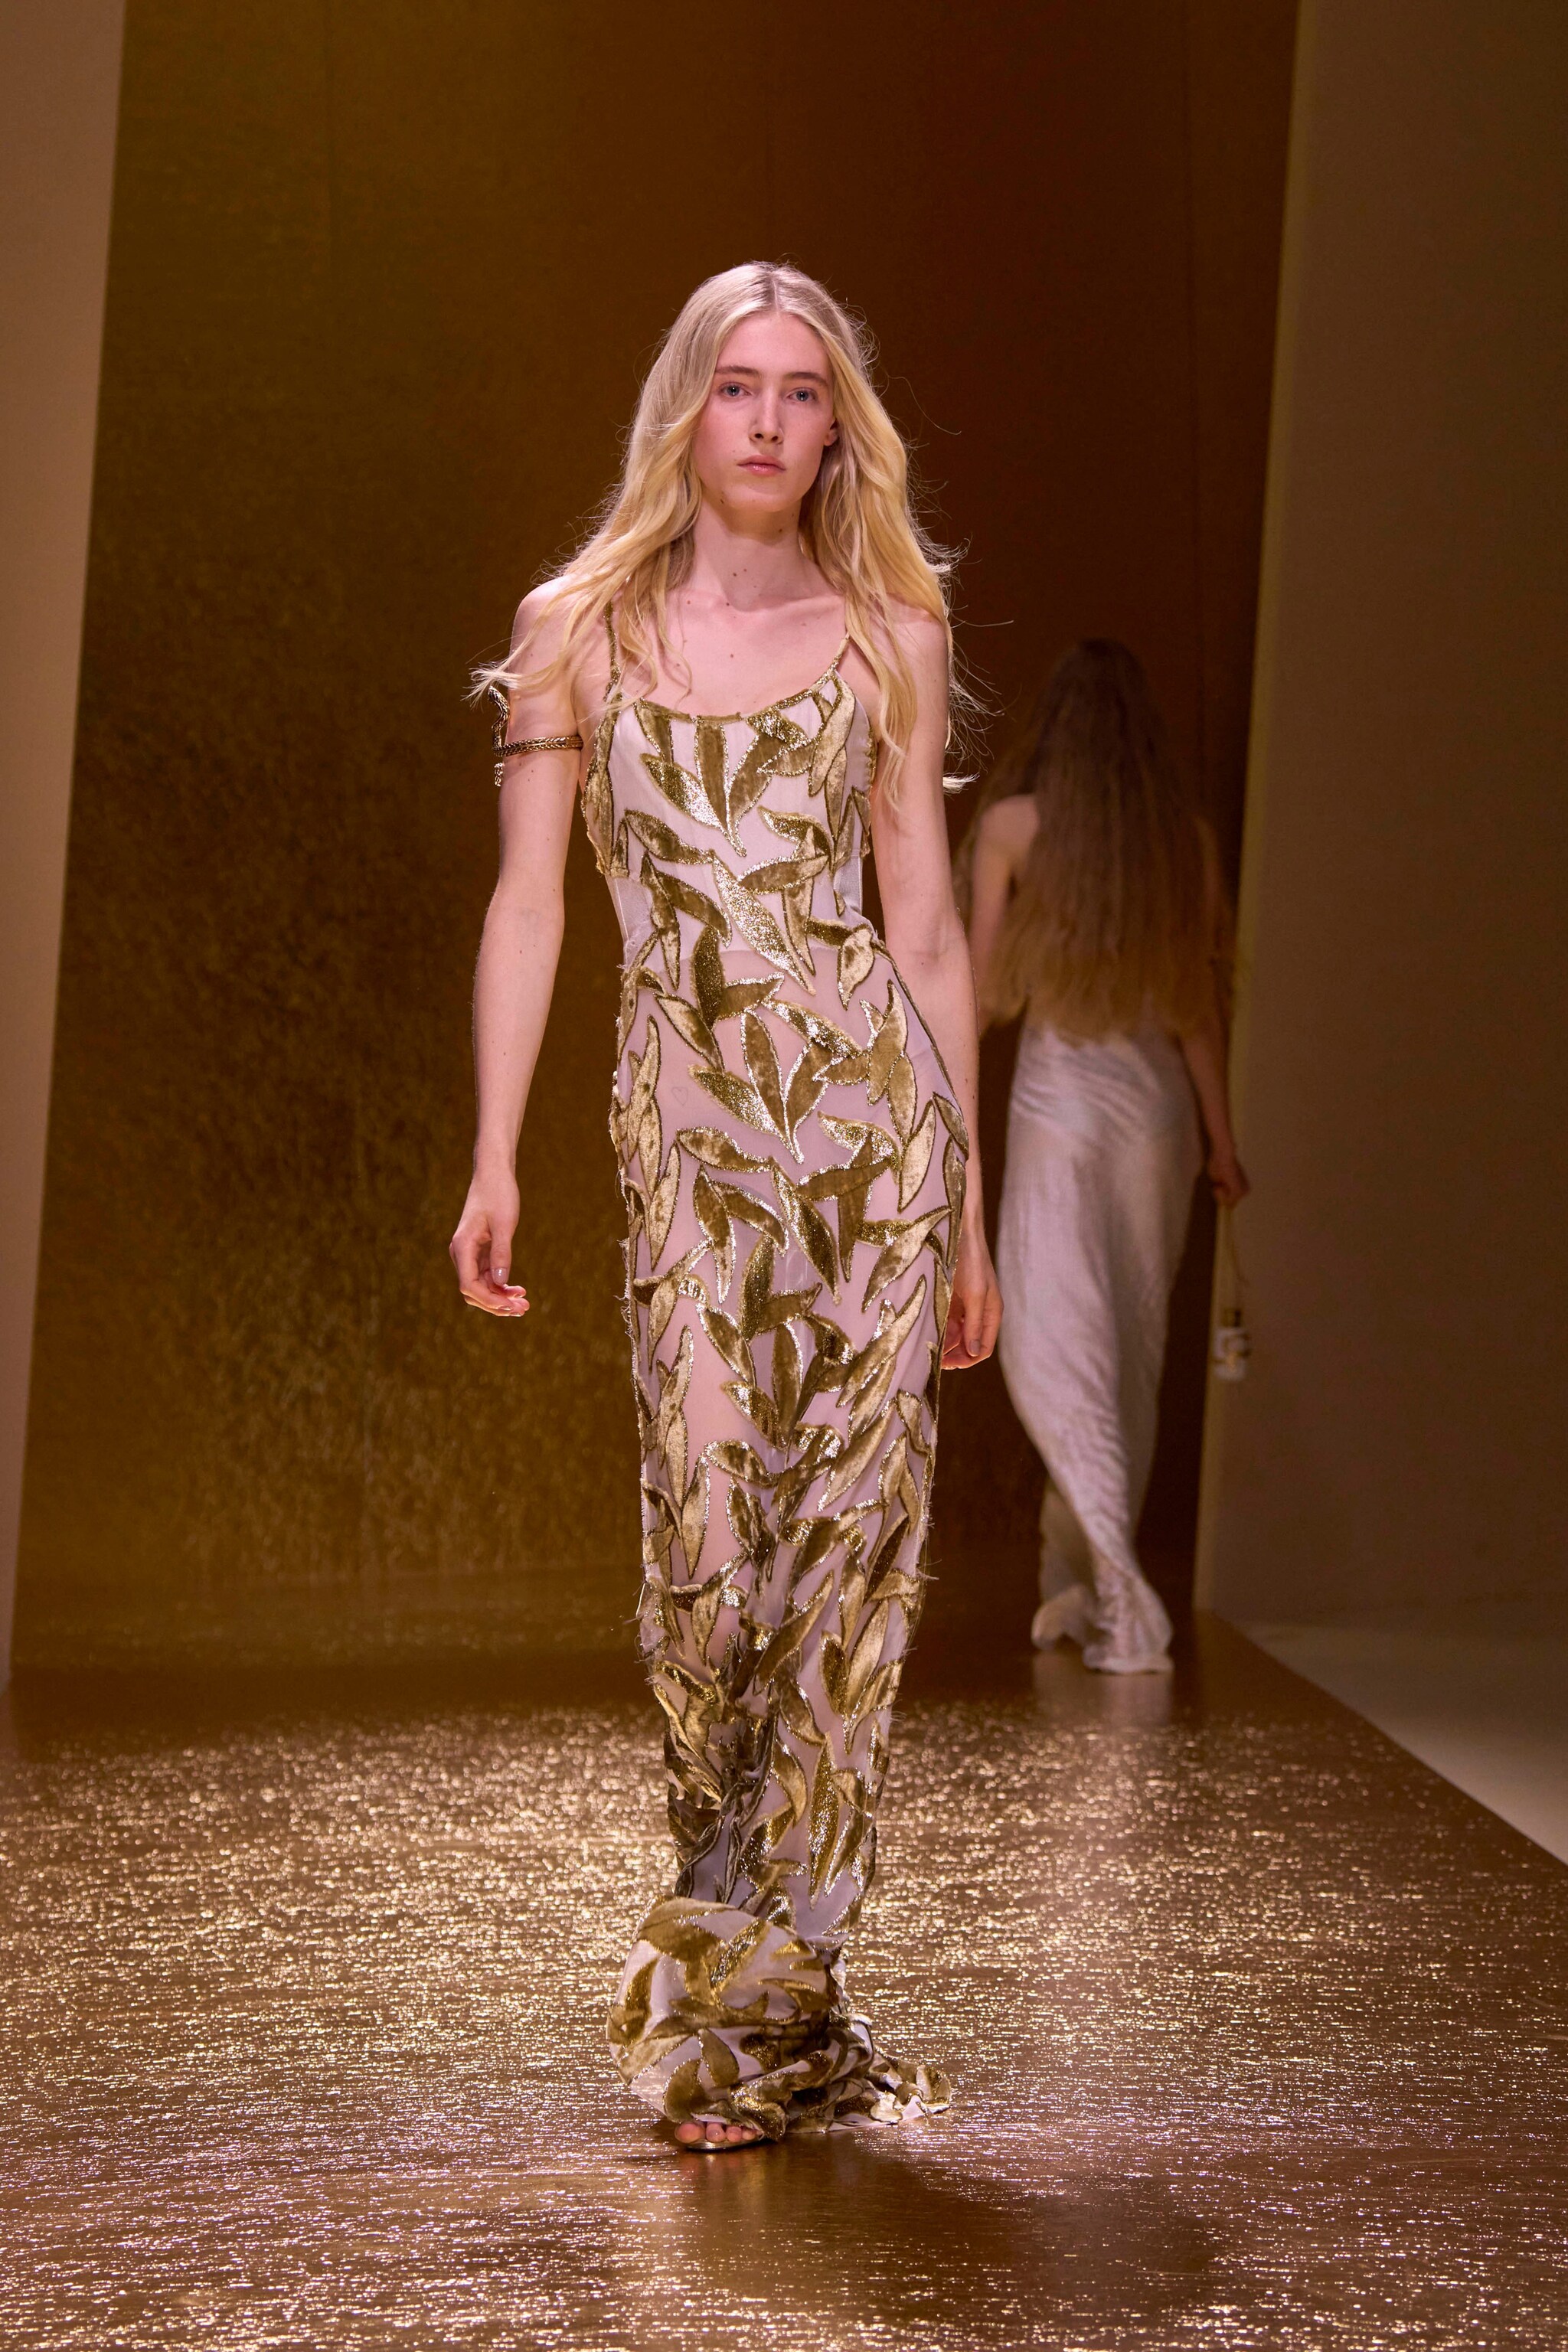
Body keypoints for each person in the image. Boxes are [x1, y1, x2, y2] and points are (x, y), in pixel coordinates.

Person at [450, 265, 1001, 2151]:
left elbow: (925, 929)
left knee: (843, 1576)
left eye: (803, 391)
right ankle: (734, 1977)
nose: (767, 421)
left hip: (874, 1156)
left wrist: (970, 1211)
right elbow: (531, 902)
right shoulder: (574, 631)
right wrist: (496, 1153)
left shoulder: (891, 632)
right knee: (710, 1557)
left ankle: (756, 2017)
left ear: (839, 427)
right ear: (682, 409)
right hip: (685, 1156)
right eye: (737, 385)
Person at [962, 641, 1246, 1675]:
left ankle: (1116, 1591)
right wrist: (1221, 1139)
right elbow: (1196, 1009)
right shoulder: (1183, 842)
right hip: (1156, 1121)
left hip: (1060, 1112)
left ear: (1060, 728)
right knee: (1130, 1346)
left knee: (1057, 1338)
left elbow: (979, 995)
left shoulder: (1012, 829)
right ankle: (1084, 1582)